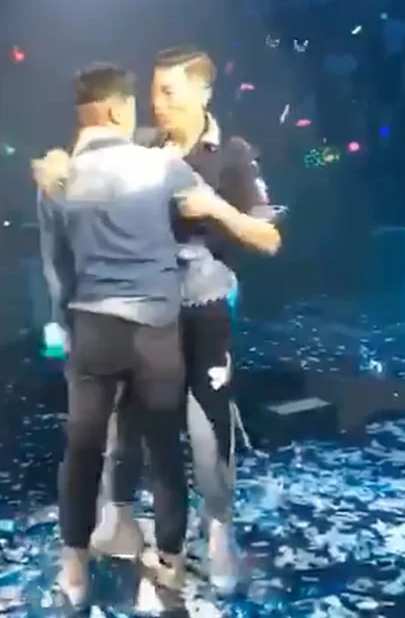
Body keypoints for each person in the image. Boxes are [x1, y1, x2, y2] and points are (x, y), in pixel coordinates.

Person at [36, 63, 279, 608]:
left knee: (204, 430)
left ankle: (216, 536)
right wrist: (60, 163)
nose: (158, 104)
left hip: (200, 311)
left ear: (203, 91)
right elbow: (91, 165)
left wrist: (214, 208)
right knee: (127, 432)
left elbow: (268, 237)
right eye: (152, 94)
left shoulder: (233, 155)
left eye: (169, 92)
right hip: (151, 317)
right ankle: (127, 527)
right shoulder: (147, 148)